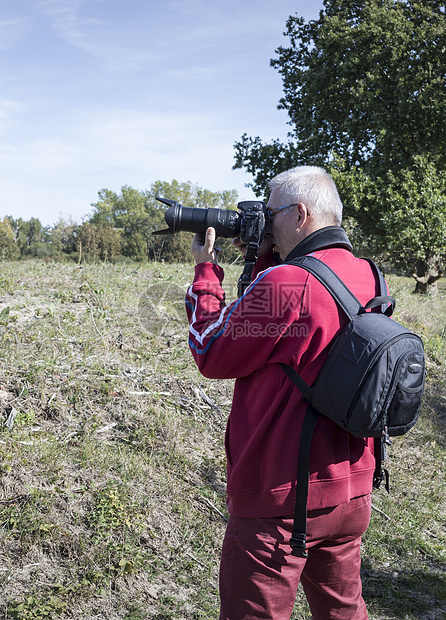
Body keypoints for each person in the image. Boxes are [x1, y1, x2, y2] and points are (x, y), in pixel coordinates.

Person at [185, 166, 381, 619]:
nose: (266, 223)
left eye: (270, 214)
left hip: (281, 497)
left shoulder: (285, 284)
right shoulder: (371, 275)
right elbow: (305, 320)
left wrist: (205, 272)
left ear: (299, 213)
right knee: (343, 611)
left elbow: (211, 350)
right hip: (351, 490)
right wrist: (263, 258)